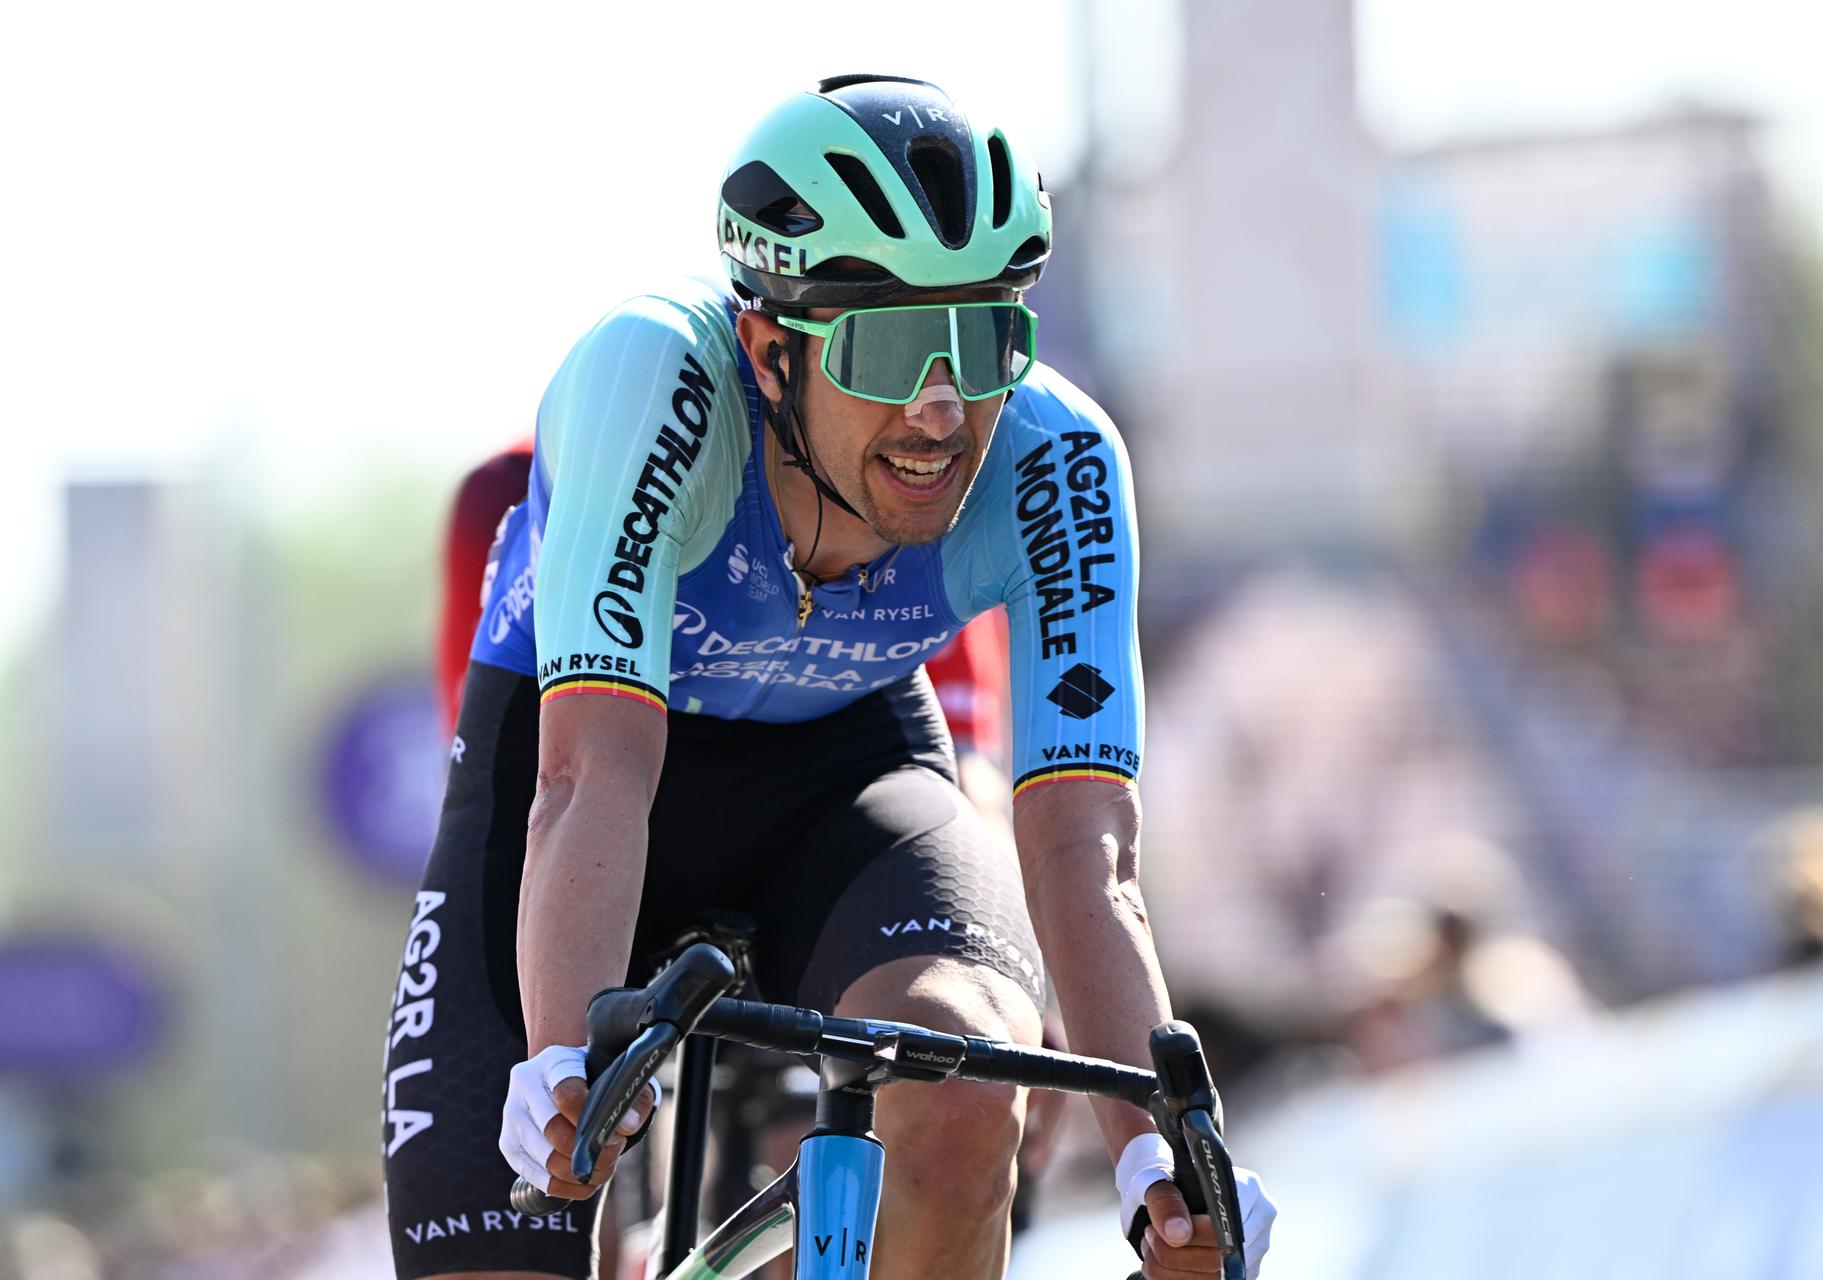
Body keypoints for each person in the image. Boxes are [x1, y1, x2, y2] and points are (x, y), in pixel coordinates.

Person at [381, 74, 1275, 1280]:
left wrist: (1154, 1157)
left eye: (983, 338)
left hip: (843, 769)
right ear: (768, 349)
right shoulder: (655, 381)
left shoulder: (1057, 457)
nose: (943, 406)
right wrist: (561, 1058)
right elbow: (588, 776)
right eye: (895, 344)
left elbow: (1084, 852)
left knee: (962, 1086)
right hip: (590, 776)